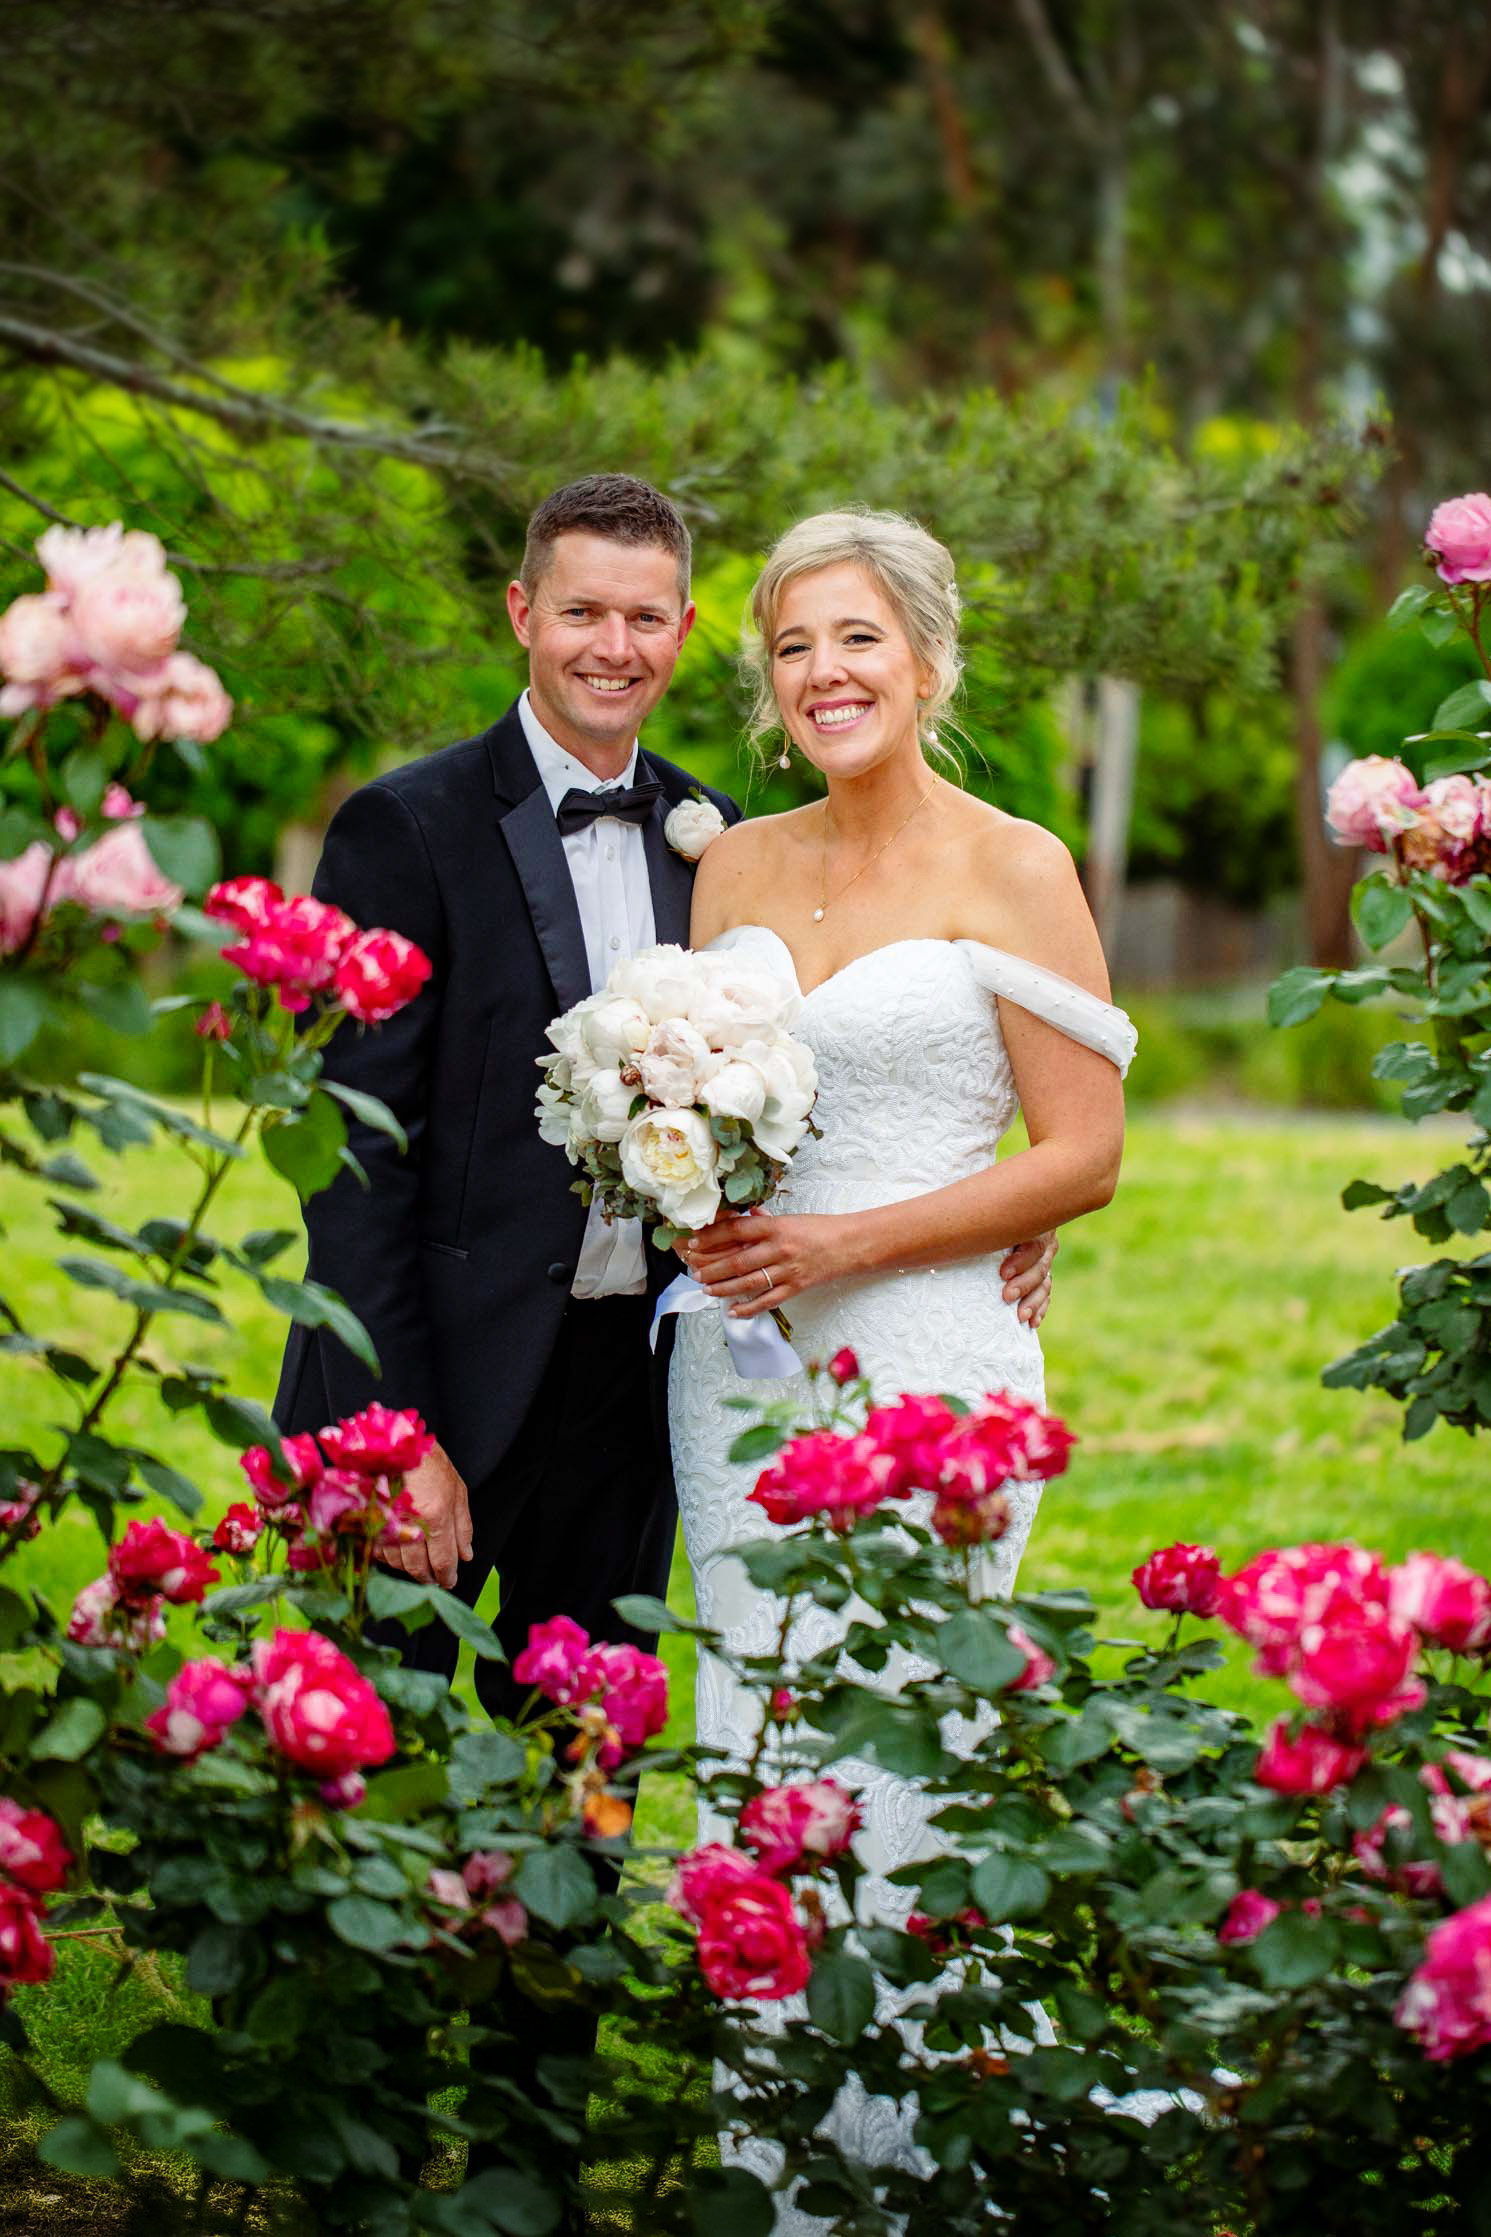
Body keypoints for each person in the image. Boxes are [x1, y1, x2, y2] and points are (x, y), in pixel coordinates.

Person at [273, 474, 1057, 1713]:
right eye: (582, 612)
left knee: (588, 1764)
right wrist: (395, 1431)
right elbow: (349, 1158)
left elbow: (794, 1085)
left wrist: (1002, 1206)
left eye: (645, 618)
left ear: (683, 630)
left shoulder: (718, 838)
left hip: (633, 1393)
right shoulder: (403, 827)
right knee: (367, 1752)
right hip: (439, 1378)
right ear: (522, 612)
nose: (614, 646)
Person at [668, 507, 1136, 2228]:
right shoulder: (729, 868)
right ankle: (772, 2164)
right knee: (754, 1727)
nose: (823, 672)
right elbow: (685, 1097)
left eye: (856, 637)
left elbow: (1081, 1153)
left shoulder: (1011, 864)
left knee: (903, 1748)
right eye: (792, 646)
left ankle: (926, 2164)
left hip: (928, 1361)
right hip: (735, 1366)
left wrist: (846, 1246)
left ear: (927, 659)